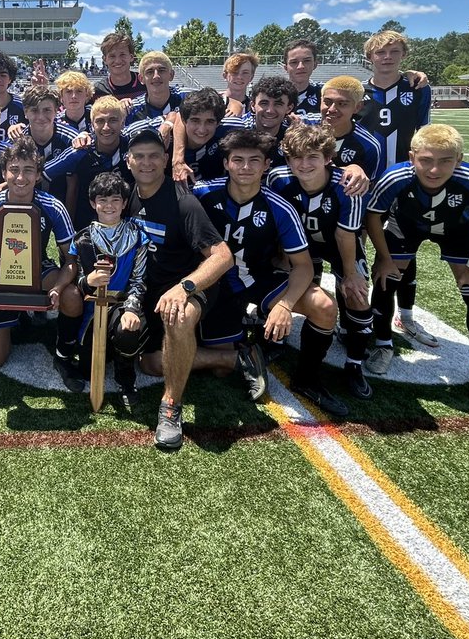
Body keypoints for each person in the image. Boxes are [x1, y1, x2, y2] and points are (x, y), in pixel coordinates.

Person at [365, 125, 469, 406]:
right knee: (385, 279)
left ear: (459, 160)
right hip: (407, 226)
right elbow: (374, 217)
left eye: (445, 161)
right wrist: (384, 257)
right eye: (426, 160)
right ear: (412, 156)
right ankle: (382, 344)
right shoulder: (396, 177)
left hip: (459, 231)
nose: (434, 170)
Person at [189, 130, 325, 409]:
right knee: (220, 369)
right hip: (216, 284)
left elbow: (303, 266)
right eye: (238, 160)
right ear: (226, 163)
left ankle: (308, 378)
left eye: (254, 160)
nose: (246, 167)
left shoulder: (280, 207)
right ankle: (247, 353)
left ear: (266, 166)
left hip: (257, 278)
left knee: (322, 305)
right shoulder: (202, 194)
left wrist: (285, 305)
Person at [123, 128, 232, 450]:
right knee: (150, 364)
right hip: (150, 291)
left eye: (154, 156)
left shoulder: (184, 203)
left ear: (166, 159)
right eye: (139, 157)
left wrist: (185, 287)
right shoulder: (129, 195)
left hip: (188, 287)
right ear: (128, 162)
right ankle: (231, 359)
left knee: (179, 317)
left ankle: (170, 407)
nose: (146, 163)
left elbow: (222, 257)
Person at [267, 123, 373, 406]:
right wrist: (280, 257)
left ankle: (354, 364)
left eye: (312, 156)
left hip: (340, 246)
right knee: (301, 288)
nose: (304, 164)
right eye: (297, 158)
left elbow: (345, 234)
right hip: (300, 246)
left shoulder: (346, 184)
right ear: (287, 160)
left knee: (357, 295)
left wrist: (350, 274)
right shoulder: (278, 179)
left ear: (328, 158)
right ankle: (278, 338)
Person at [0, 138, 84, 369]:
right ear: (3, 173)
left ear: (38, 174)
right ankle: (20, 320)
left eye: (28, 170)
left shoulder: (53, 206)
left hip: (39, 268)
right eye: (14, 170)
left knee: (72, 295)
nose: (20, 178)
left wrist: (57, 287)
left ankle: (65, 351)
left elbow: (70, 259)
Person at [356, 30, 435, 348]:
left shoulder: (416, 88)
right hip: (366, 184)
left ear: (403, 54)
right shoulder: (360, 93)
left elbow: (425, 133)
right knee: (358, 249)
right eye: (380, 52)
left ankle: (405, 315)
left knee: (405, 249)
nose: (386, 58)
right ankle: (357, 314)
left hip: (404, 183)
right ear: (370, 57)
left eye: (393, 51)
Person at [66, 172, 149, 407]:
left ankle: (126, 378)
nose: (109, 205)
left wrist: (132, 309)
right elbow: (79, 279)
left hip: (122, 304)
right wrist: (88, 280)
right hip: (92, 309)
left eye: (115, 199)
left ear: (124, 203)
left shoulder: (137, 237)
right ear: (93, 203)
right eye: (102, 200)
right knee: (86, 370)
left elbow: (139, 280)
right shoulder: (82, 238)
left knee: (127, 329)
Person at [43, 96, 135, 232]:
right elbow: (43, 173)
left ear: (123, 123)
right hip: (88, 227)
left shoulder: (131, 144)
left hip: (128, 225)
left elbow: (168, 118)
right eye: (100, 121)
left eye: (113, 120)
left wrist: (166, 126)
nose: (106, 127)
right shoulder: (80, 151)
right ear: (92, 125)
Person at [170, 87, 228, 184]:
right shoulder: (165, 140)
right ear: (184, 121)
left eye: (210, 121)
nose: (202, 129)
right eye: (195, 120)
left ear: (218, 123)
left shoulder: (225, 133)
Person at [124, 51, 185, 127]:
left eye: (161, 70)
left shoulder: (186, 97)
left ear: (171, 75)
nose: (156, 76)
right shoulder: (132, 110)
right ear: (141, 79)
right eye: (150, 72)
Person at [93, 33, 145, 101]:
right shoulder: (96, 91)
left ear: (131, 57)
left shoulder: (145, 84)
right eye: (112, 56)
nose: (118, 61)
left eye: (122, 54)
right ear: (105, 59)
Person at [283, 39, 323, 116]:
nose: (300, 66)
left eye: (307, 61)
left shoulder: (325, 93)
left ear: (315, 64)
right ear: (286, 67)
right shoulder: (274, 95)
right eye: (294, 62)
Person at [221, 51, 259, 117]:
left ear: (251, 77)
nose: (239, 77)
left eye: (245, 73)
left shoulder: (255, 107)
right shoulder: (213, 103)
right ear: (225, 75)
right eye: (235, 72)